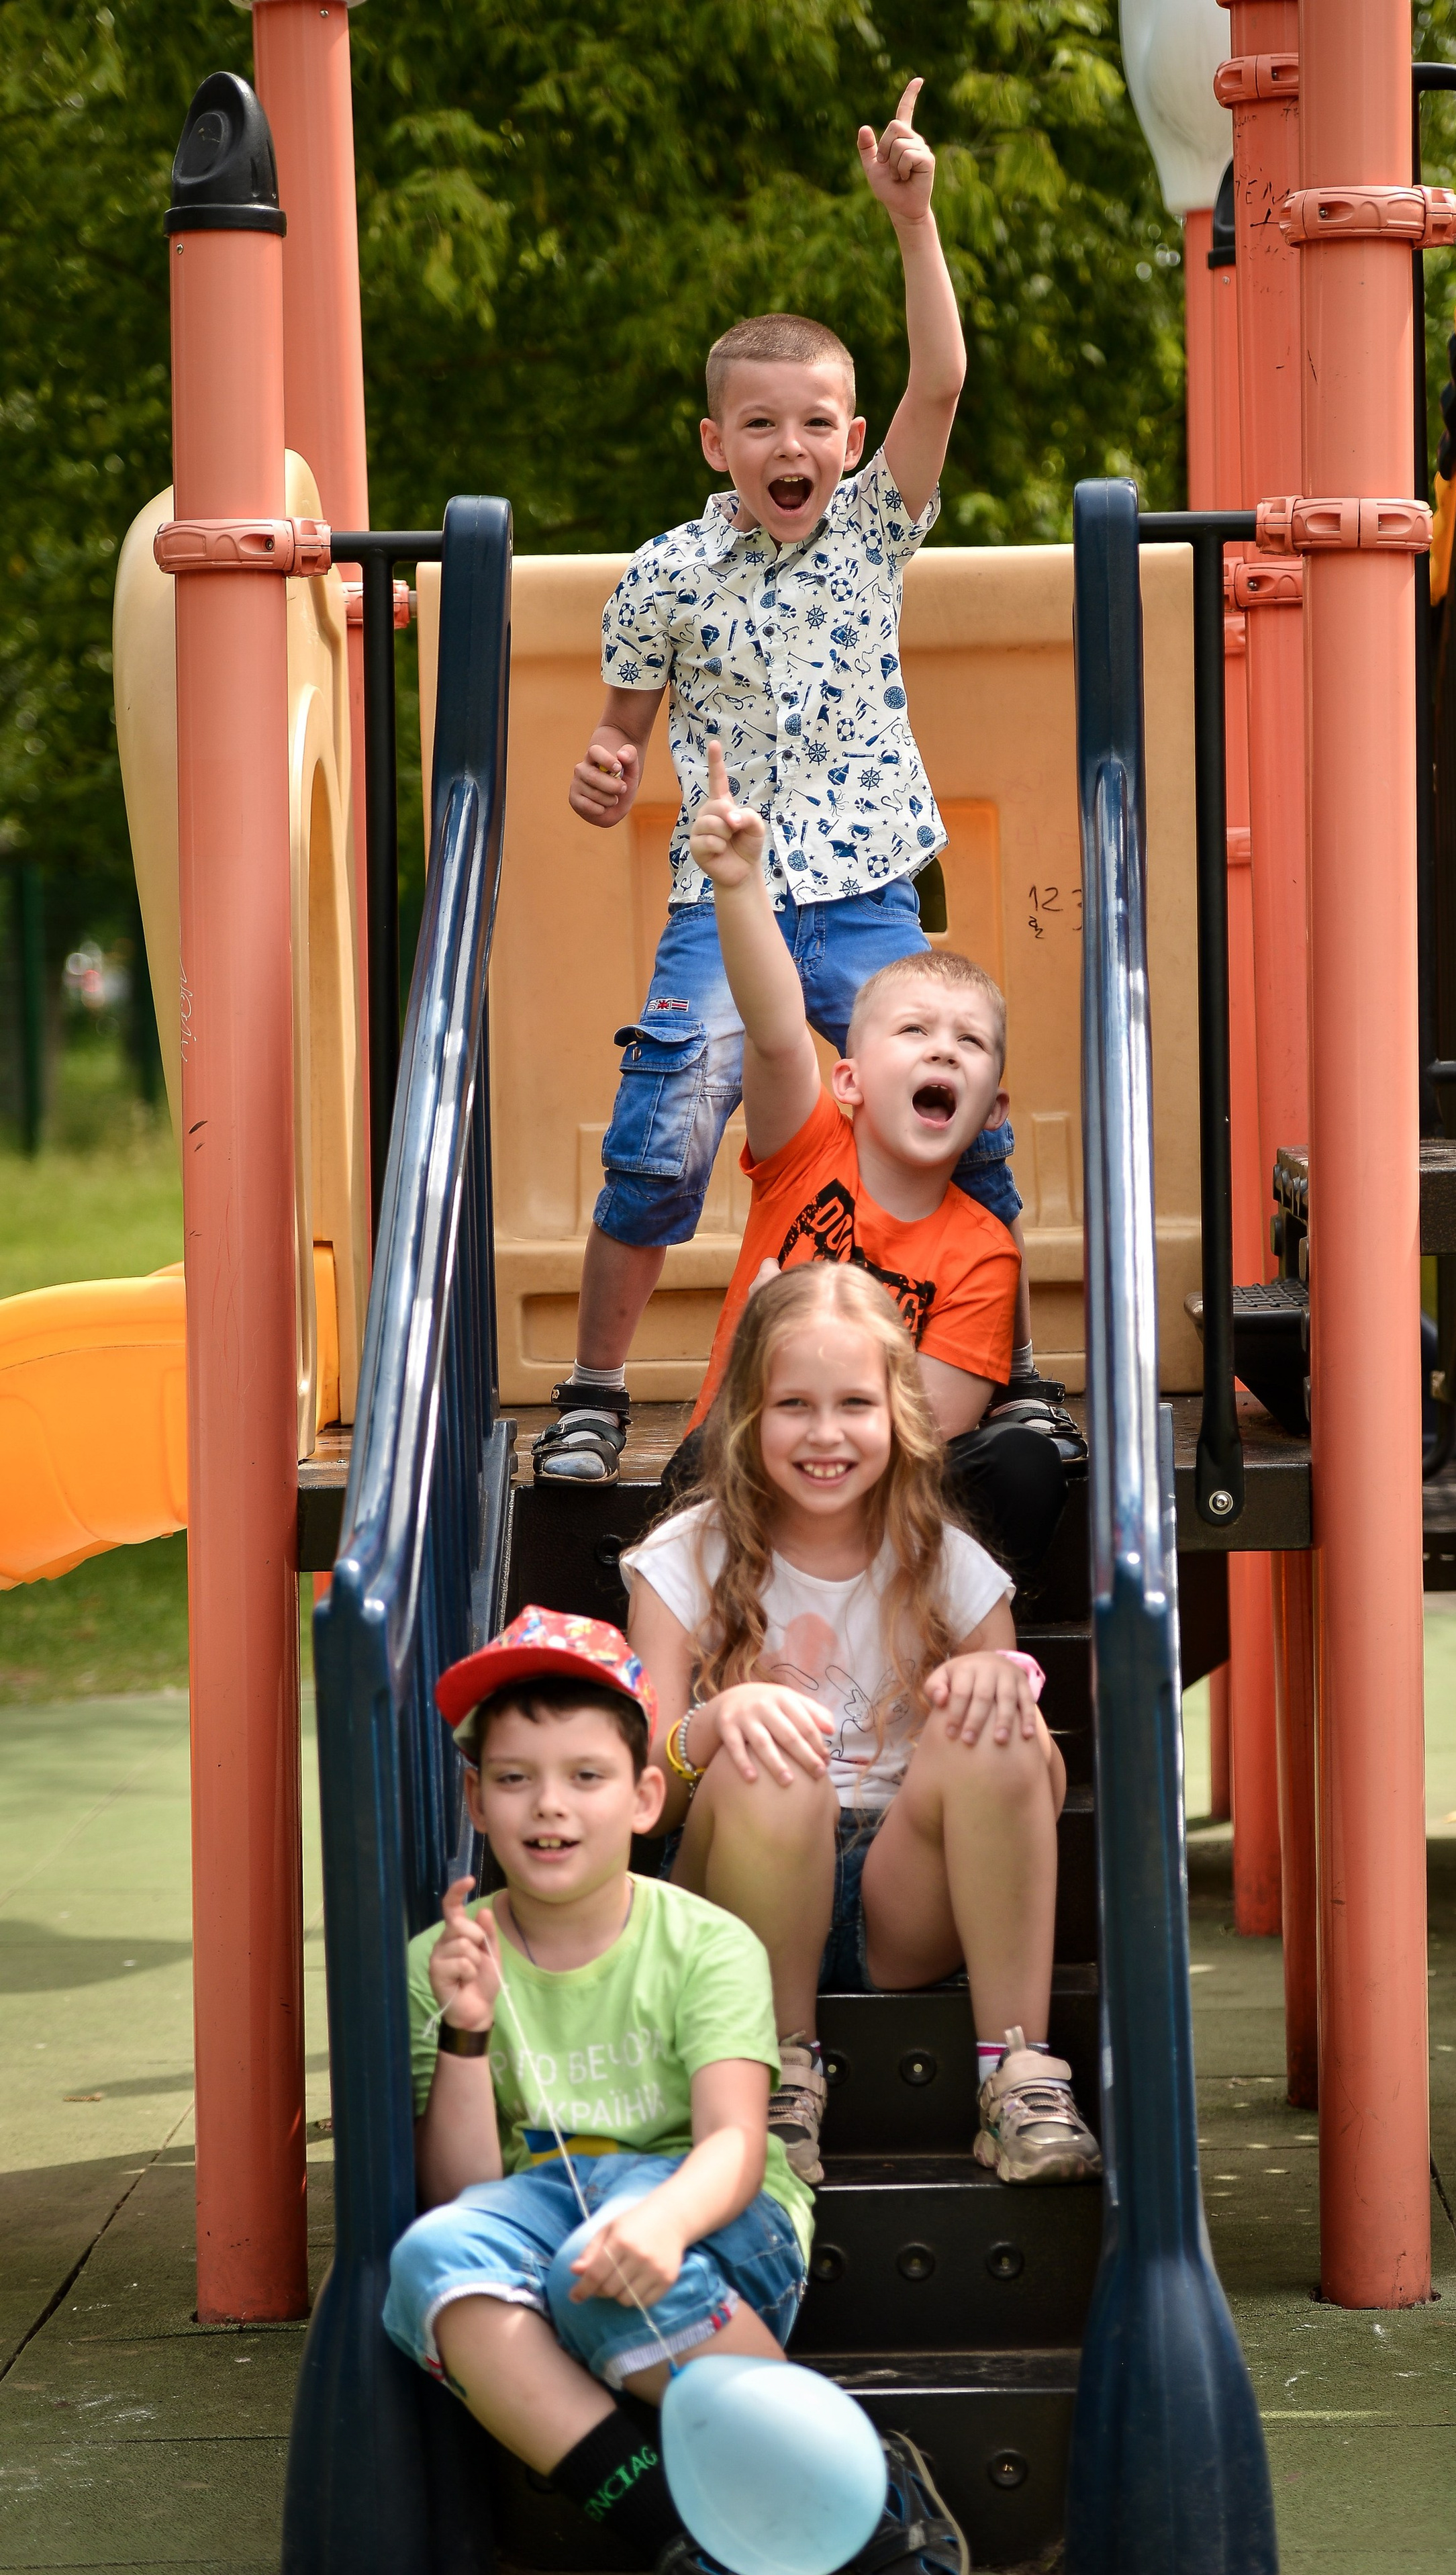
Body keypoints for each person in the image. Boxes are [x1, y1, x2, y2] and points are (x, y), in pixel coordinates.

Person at [537, 78, 1063, 1487]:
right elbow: (619, 730)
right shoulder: (664, 574)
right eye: (762, 426)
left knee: (950, 1105)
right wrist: (602, 767)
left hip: (874, 889)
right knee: (661, 1132)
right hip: (732, 900)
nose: (794, 448)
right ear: (718, 446)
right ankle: (592, 1388)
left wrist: (915, 218)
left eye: (818, 423)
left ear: (847, 440)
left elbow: (940, 379)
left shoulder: (870, 528)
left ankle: (998, 1367)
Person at [382, 1608, 964, 2575]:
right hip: (550, 2222)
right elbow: (465, 2192)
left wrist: (659, 2220)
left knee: (601, 2251)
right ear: (478, 1801)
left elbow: (736, 2142)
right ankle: (679, 2534)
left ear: (647, 1795)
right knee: (431, 2257)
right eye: (516, 1778)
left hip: (716, 2220)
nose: (549, 1806)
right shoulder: (443, 1962)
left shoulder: (705, 1940)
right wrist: (468, 2027)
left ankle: (865, 2500)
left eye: (586, 1775)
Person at [624, 1259, 1102, 2198]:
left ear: (901, 1416)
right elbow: (643, 1794)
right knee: (776, 1754)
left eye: (855, 1402)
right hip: (735, 1887)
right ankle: (775, 2072)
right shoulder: (682, 1563)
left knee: (997, 1721)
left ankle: (1019, 2072)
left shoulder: (951, 1569)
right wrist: (716, 1722)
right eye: (794, 1404)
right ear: (747, 1415)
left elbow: (1035, 1792)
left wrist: (996, 1699)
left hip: (901, 1894)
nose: (826, 1432)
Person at [664, 737, 1075, 1575]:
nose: (944, 1052)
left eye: (970, 1042)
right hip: (743, 1464)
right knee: (700, 1463)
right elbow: (778, 1031)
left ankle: (901, 1631)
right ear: (846, 1079)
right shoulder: (808, 1149)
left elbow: (926, 1429)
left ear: (991, 1109)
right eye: (915, 1032)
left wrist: (796, 1335)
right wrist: (739, 887)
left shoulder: (982, 1252)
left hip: (876, 1496)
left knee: (1023, 1467)